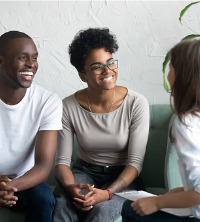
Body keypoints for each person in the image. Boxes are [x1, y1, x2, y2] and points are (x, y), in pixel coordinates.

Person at [52, 27, 149, 222]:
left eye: (110, 62)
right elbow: (62, 162)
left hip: (124, 176)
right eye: (97, 67)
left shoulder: (136, 103)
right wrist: (72, 190)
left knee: (102, 212)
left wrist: (107, 193)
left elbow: (135, 163)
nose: (108, 71)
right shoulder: (68, 106)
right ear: (82, 75)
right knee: (63, 202)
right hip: (84, 171)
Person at [121, 39, 200, 222]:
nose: (167, 73)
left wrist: (158, 203)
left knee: (130, 210)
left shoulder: (187, 124)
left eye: (171, 67)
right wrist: (177, 194)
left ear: (183, 74)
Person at [0, 31, 62, 222]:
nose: (31, 65)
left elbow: (44, 165)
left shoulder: (47, 101)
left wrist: (11, 187)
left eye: (34, 58)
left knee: (43, 199)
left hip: (25, 181)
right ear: (1, 61)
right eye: (22, 58)